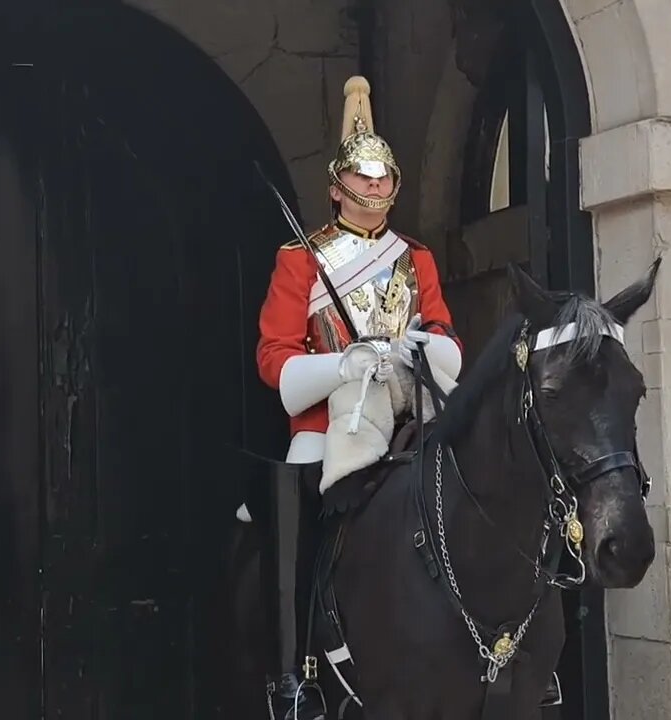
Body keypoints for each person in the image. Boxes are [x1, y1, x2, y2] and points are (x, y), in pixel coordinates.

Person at [244, 75, 463, 719]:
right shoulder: (301, 259)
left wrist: (418, 349)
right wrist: (342, 363)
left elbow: (445, 331)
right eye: (361, 179)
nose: (373, 189)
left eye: (382, 179)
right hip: (330, 409)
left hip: (408, 400)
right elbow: (274, 358)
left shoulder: (414, 257)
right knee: (302, 493)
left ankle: (512, 644)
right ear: (337, 187)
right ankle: (292, 674)